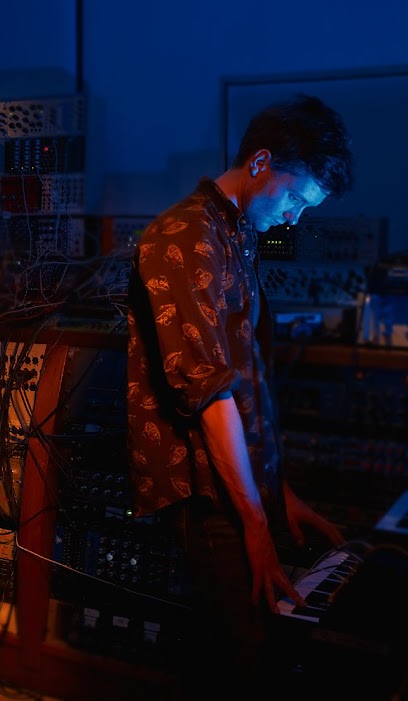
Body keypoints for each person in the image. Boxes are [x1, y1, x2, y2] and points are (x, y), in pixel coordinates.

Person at [125, 94, 350, 699]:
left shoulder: (235, 232)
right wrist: (254, 521)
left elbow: (244, 383)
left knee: (241, 656)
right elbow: (207, 394)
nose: (294, 219)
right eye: (296, 200)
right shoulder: (184, 235)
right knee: (242, 660)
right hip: (208, 490)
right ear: (260, 163)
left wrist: (279, 493)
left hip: (241, 487)